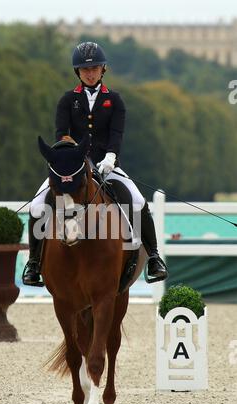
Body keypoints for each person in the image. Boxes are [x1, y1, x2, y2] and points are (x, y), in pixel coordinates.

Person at [22, 41, 168, 286]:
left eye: (95, 68)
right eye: (85, 70)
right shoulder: (68, 100)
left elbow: (116, 134)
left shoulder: (115, 100)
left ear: (103, 69)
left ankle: (153, 257)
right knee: (37, 205)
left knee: (138, 200)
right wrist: (72, 160)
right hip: (73, 167)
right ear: (78, 72)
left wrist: (110, 157)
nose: (90, 73)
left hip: (107, 165)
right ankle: (34, 262)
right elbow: (61, 135)